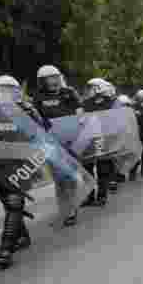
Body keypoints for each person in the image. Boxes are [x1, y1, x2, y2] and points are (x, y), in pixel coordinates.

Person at [0, 76, 48, 270]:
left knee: (15, 203)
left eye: (5, 90)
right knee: (9, 205)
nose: (1, 94)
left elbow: (40, 135)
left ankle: (5, 249)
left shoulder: (27, 110)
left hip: (22, 164)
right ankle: (22, 236)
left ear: (14, 91)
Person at [34, 65, 83, 226]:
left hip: (71, 141)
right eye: (50, 78)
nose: (54, 81)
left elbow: (80, 113)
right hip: (51, 143)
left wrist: (79, 119)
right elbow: (36, 119)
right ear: (43, 81)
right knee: (59, 179)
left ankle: (72, 210)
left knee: (70, 176)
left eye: (56, 77)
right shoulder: (38, 97)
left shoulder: (69, 93)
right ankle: (64, 207)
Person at [81, 78, 119, 206]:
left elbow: (117, 119)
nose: (88, 91)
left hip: (104, 138)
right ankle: (89, 196)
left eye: (91, 88)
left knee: (103, 168)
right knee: (87, 169)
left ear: (99, 88)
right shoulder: (86, 103)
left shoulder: (112, 102)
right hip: (89, 138)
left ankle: (102, 196)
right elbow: (80, 118)